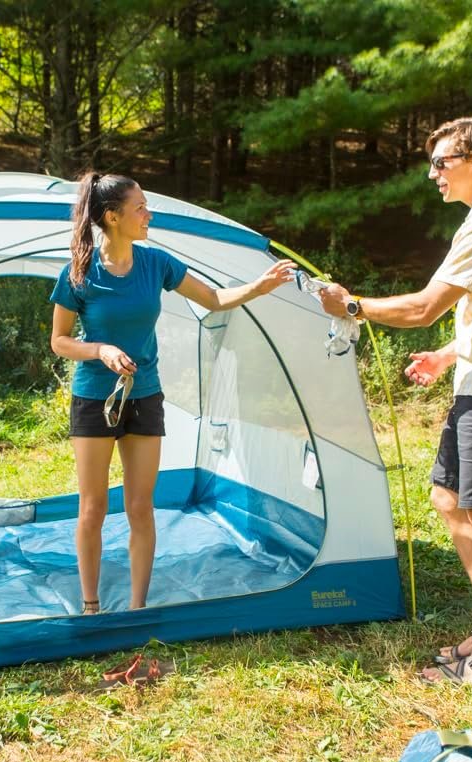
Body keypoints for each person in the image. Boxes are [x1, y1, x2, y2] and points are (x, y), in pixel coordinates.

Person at [319, 115, 472, 691]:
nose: (433, 174)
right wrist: (450, 354)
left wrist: (351, 306)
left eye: (442, 163)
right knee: (448, 499)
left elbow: (425, 307)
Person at [49, 172, 295, 615]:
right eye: (140, 208)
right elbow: (60, 341)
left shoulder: (156, 264)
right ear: (113, 217)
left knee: (140, 507)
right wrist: (100, 349)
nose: (149, 215)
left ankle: (138, 608)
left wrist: (260, 286)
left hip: (145, 396)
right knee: (93, 508)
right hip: (94, 400)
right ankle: (91, 606)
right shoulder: (79, 274)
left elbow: (214, 299)